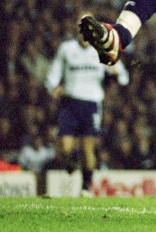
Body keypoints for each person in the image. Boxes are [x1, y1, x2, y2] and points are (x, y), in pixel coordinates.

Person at [45, 28, 129, 195]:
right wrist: (53, 87)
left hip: (91, 104)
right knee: (64, 146)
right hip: (69, 102)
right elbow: (53, 75)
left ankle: (86, 186)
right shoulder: (66, 49)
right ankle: (71, 161)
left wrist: (116, 72)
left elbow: (124, 77)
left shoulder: (103, 50)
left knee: (87, 147)